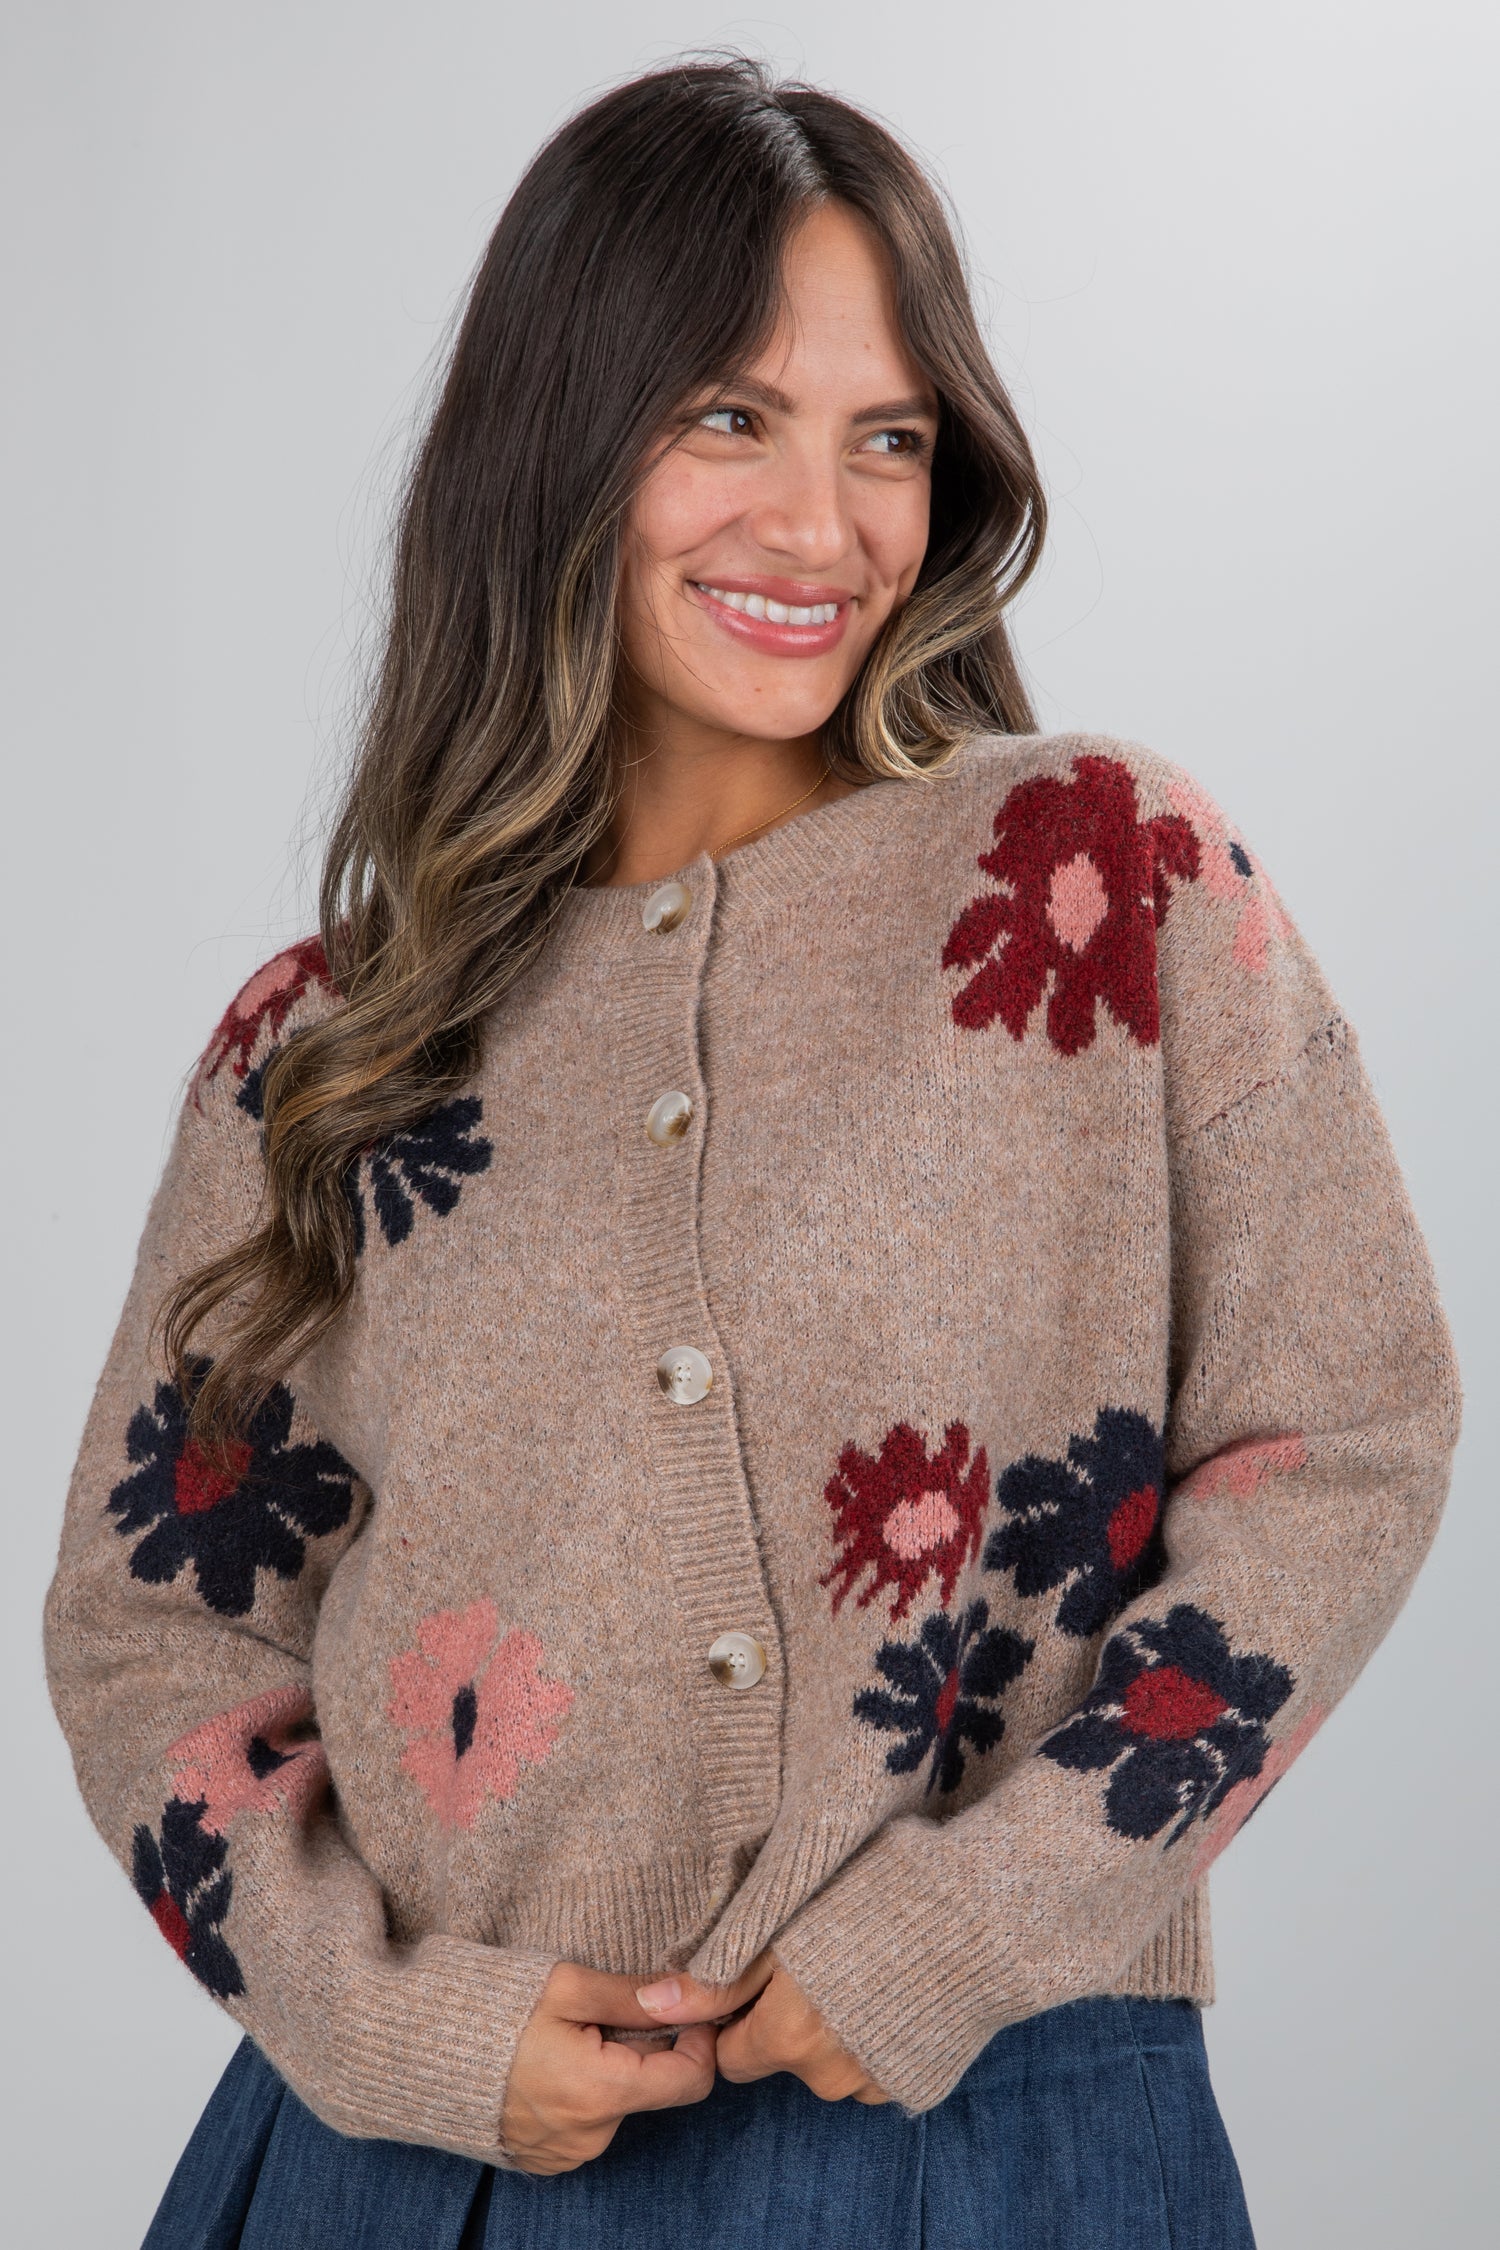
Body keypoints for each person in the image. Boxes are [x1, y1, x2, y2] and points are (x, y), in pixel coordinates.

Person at [45, 56, 1459, 2250]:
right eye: (731, 418)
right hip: (410, 2170)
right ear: (559, 439)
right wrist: (401, 2028)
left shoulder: (1100, 884)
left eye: (888, 437)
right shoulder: (328, 1045)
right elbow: (154, 1628)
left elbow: (1346, 1434)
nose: (824, 527)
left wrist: (976, 1922)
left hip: (997, 2134)